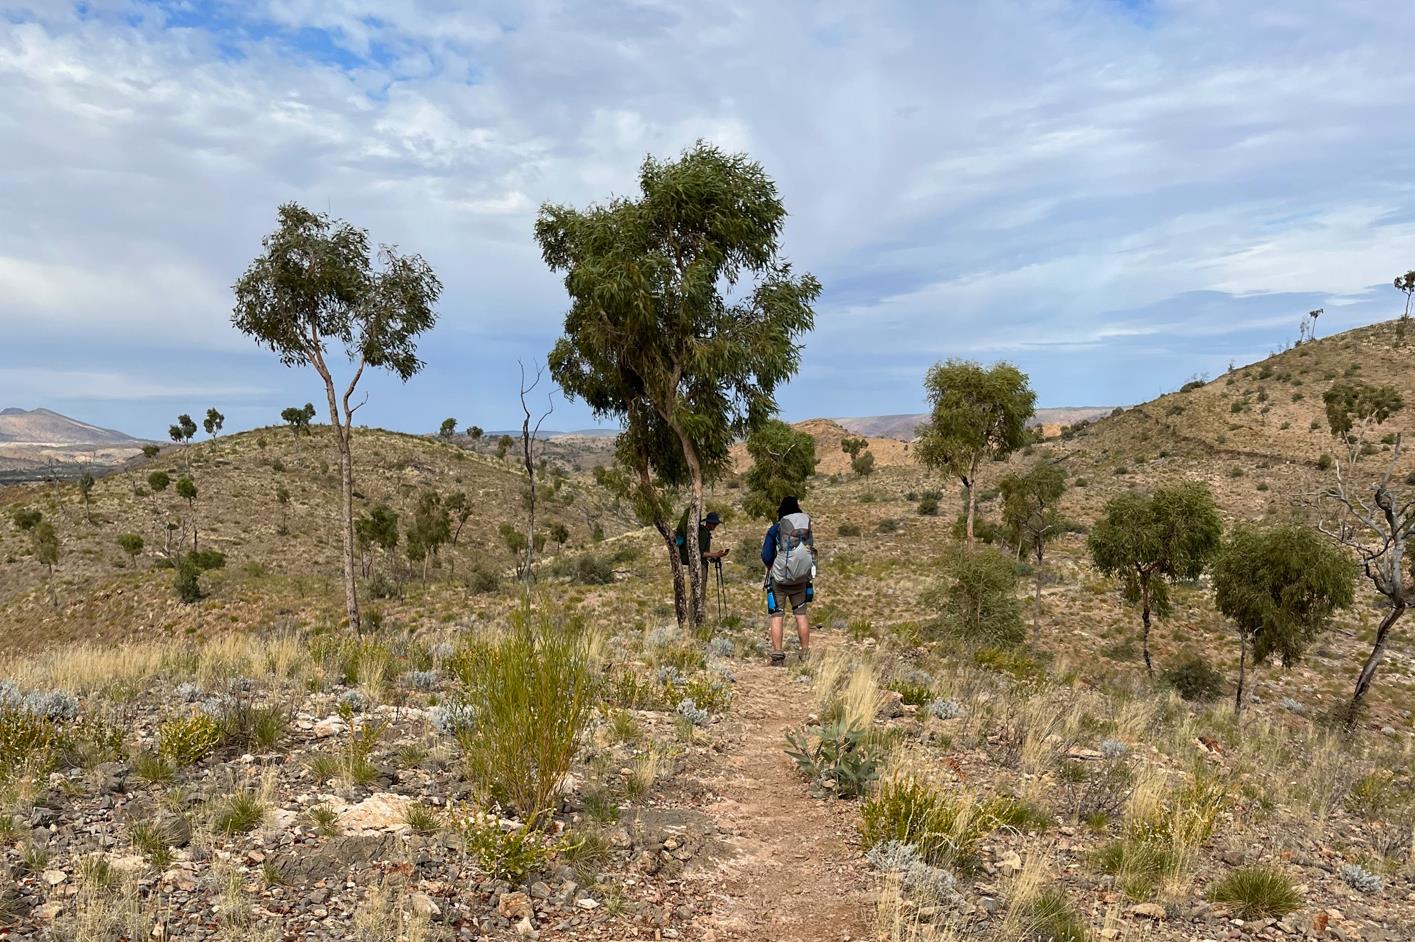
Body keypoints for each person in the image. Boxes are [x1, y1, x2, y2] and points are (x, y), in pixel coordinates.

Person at [761, 495, 814, 665]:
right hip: (800, 579)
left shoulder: (775, 529)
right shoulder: (805, 529)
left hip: (780, 579)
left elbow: (766, 555)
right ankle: (805, 653)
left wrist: (773, 565)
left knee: (777, 615)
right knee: (801, 614)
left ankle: (777, 655)